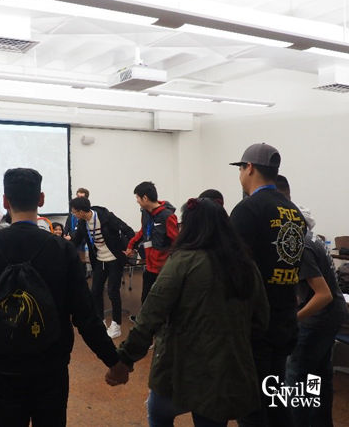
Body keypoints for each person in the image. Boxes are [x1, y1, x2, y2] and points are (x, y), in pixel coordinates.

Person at [0, 168, 122, 427]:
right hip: (51, 368)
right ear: (41, 199)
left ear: (5, 202)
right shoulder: (62, 250)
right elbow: (86, 316)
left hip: (2, 369)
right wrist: (113, 360)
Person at [107, 197, 269, 426]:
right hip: (224, 375)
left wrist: (125, 360)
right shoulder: (246, 265)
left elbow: (150, 316)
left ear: (189, 226)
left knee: (158, 413)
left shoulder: (182, 261)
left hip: (178, 371)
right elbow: (261, 320)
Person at [229, 143, 307, 427]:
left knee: (251, 403)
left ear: (249, 168)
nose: (240, 174)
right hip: (285, 319)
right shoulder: (294, 212)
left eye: (240, 168)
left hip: (255, 325)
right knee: (275, 398)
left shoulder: (247, 210)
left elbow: (232, 271)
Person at [277, 175, 348, 427]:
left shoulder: (300, 244)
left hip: (318, 319)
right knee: (317, 377)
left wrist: (292, 318)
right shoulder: (310, 238)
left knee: (295, 378)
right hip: (330, 316)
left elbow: (323, 294)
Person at [70, 196, 135, 339]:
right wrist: (63, 245)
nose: (73, 214)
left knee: (112, 291)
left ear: (81, 211)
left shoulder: (106, 217)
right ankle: (101, 322)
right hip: (100, 260)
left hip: (114, 259)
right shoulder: (83, 223)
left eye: (74, 212)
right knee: (95, 291)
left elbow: (128, 230)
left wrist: (130, 248)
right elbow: (76, 241)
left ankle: (116, 325)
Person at [124, 181, 178, 309]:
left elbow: (176, 242)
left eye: (137, 197)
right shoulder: (145, 212)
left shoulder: (167, 216)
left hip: (163, 269)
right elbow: (143, 231)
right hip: (150, 266)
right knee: (145, 299)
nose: (137, 201)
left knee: (162, 302)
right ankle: (145, 320)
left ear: (145, 198)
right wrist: (131, 245)